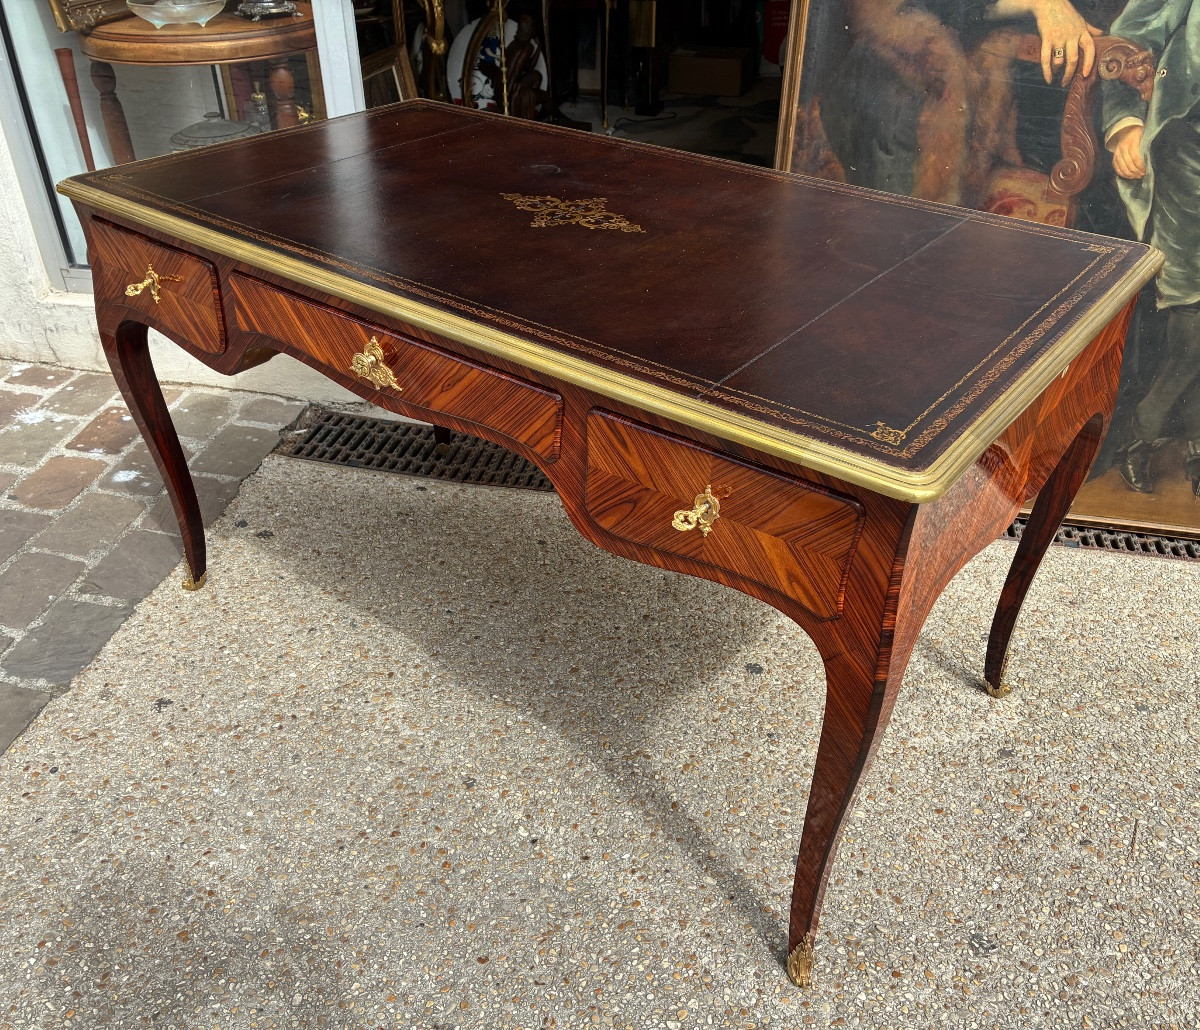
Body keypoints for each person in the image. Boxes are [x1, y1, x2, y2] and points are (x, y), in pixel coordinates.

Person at [1104, 0, 1200, 496]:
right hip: (1188, 158)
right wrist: (1127, 124)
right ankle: (1141, 435)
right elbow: (1121, 50)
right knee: (1192, 308)